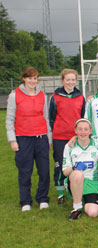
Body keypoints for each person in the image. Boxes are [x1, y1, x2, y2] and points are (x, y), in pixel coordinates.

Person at [6, 67, 51, 211]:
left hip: (41, 137)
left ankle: (43, 198)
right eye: (30, 78)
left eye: (35, 78)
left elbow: (46, 118)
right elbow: (9, 119)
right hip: (23, 138)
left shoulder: (42, 95)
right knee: (25, 171)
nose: (33, 81)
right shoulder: (15, 95)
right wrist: (12, 140)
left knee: (44, 171)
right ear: (24, 79)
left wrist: (48, 139)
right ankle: (25, 201)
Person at [49, 68, 86, 205]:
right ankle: (60, 193)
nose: (71, 82)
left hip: (76, 137)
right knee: (60, 164)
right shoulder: (55, 96)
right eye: (68, 79)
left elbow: (82, 117)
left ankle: (74, 188)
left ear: (76, 81)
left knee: (76, 164)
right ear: (63, 80)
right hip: (59, 137)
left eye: (73, 79)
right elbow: (51, 118)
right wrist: (55, 133)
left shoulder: (80, 97)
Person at [62, 119, 98, 220]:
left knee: (93, 213)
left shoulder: (97, 145)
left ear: (91, 130)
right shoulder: (69, 146)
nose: (83, 132)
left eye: (86, 129)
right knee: (78, 174)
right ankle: (76, 208)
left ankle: (90, 198)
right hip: (75, 180)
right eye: (80, 129)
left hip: (91, 183)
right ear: (75, 130)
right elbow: (65, 172)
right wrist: (75, 168)